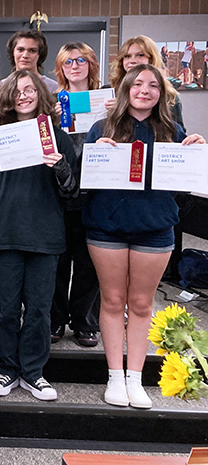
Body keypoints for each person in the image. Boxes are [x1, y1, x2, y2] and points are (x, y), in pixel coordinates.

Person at [84, 64, 205, 408]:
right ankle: (114, 376)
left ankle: (135, 378)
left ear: (161, 93)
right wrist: (96, 156)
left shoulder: (173, 130)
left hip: (155, 228)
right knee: (111, 301)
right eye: (137, 83)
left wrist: (194, 151)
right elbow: (83, 184)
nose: (145, 90)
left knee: (140, 304)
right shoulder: (100, 128)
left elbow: (184, 187)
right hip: (107, 227)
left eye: (153, 85)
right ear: (125, 88)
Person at [0, 70, 78, 402]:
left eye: (30, 89)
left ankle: (33, 373)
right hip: (7, 235)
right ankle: (7, 369)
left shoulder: (58, 138)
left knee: (38, 309)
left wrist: (60, 166)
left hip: (45, 236)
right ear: (8, 97)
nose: (23, 95)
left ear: (41, 94)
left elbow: (72, 194)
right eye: (17, 90)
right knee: (6, 308)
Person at [50, 42, 102, 348]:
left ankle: (84, 321)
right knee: (57, 260)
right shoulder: (54, 102)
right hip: (58, 193)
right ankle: (55, 318)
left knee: (88, 261)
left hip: (95, 191)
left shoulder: (106, 101)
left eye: (81, 60)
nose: (75, 66)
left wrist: (111, 114)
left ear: (91, 64)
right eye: (68, 61)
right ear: (61, 67)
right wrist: (54, 119)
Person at [109, 36, 184, 131]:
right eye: (127, 56)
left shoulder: (169, 96)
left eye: (140, 55)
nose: (132, 61)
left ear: (151, 59)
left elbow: (177, 134)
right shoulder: (111, 91)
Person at [3, 29, 59, 93]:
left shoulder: (54, 88)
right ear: (13, 52)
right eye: (20, 50)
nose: (25, 55)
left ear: (39, 54)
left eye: (32, 51)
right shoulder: (1, 86)